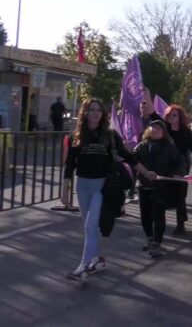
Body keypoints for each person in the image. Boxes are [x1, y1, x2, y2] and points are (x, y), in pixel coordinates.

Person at [63, 99, 156, 281]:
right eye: (91, 110)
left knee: (91, 225)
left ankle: (83, 266)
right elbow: (69, 164)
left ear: (103, 114)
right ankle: (98, 259)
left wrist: (146, 172)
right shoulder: (77, 136)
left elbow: (128, 157)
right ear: (85, 113)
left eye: (99, 110)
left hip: (102, 186)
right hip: (82, 186)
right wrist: (65, 188)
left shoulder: (110, 135)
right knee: (90, 228)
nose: (96, 113)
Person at [133, 120, 182, 258]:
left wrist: (178, 172)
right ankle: (149, 238)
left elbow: (179, 161)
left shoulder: (169, 147)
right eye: (153, 127)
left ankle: (157, 242)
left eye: (158, 127)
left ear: (163, 131)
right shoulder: (141, 146)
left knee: (158, 215)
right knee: (145, 216)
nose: (155, 129)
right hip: (144, 186)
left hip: (160, 187)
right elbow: (132, 160)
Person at [164, 105, 192, 235]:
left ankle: (180, 223)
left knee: (180, 194)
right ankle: (160, 221)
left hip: (180, 166)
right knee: (164, 193)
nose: (171, 117)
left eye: (174, 115)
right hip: (165, 165)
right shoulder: (164, 129)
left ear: (180, 117)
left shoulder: (186, 132)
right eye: (169, 114)